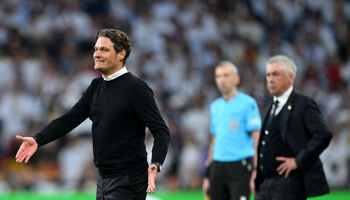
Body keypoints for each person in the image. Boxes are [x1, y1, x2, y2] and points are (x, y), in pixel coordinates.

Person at [15, 29, 171, 200]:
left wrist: (156, 162)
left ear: (121, 54)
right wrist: (38, 139)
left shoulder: (136, 88)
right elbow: (69, 119)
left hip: (129, 179)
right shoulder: (96, 86)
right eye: (96, 49)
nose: (97, 54)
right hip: (103, 179)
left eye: (104, 49)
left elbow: (161, 130)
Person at [254, 55, 332, 200]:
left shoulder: (303, 104)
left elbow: (323, 134)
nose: (270, 79)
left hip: (288, 183)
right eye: (268, 75)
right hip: (264, 184)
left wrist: (298, 161)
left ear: (290, 77)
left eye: (275, 74)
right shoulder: (269, 105)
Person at [202, 61, 261, 200]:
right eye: (218, 76)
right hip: (218, 166)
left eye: (226, 75)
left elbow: (257, 139)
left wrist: (256, 170)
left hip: (240, 165)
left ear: (237, 79)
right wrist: (207, 175)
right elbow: (214, 140)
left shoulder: (248, 104)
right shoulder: (215, 106)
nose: (222, 80)